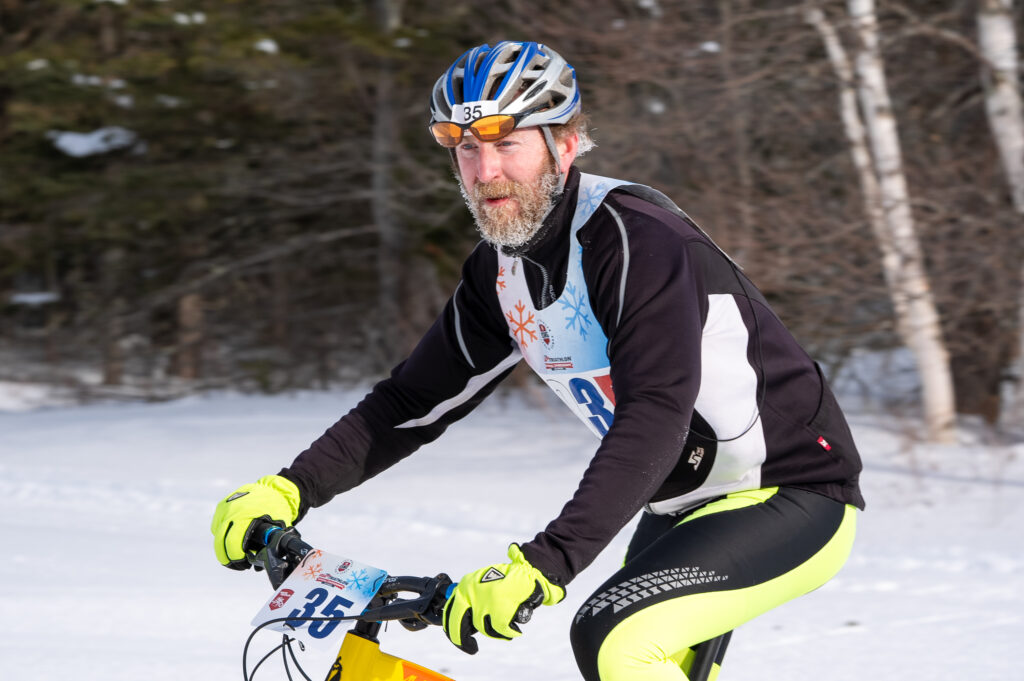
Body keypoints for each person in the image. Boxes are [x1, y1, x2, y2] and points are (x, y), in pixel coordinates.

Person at [211, 41, 865, 681]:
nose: (485, 170)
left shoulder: (635, 241)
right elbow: (411, 403)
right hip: (677, 507)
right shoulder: (500, 272)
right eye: (466, 148)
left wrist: (543, 565)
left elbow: (656, 411)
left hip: (790, 492)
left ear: (567, 144)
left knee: (614, 638)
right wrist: (290, 487)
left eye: (507, 144)